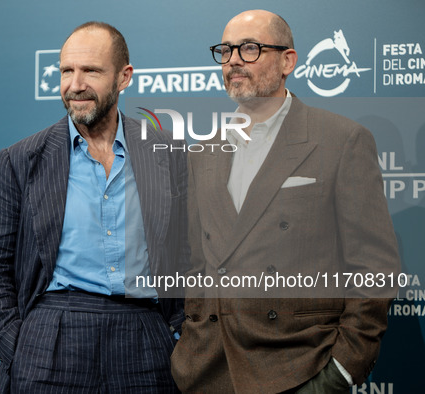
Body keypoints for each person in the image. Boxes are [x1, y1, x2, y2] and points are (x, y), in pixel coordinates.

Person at [170, 10, 400, 394]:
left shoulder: (341, 141)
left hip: (298, 369)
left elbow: (373, 268)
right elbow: (195, 261)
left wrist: (341, 371)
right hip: (205, 370)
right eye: (225, 51)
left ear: (287, 61)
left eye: (249, 48)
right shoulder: (203, 152)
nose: (233, 61)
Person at [0, 21, 187, 394]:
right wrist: (16, 346)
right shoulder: (20, 160)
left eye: (90, 71)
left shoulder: (169, 154)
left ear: (124, 77)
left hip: (145, 336)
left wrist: (183, 337)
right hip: (51, 337)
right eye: (66, 71)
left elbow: (191, 254)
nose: (75, 85)